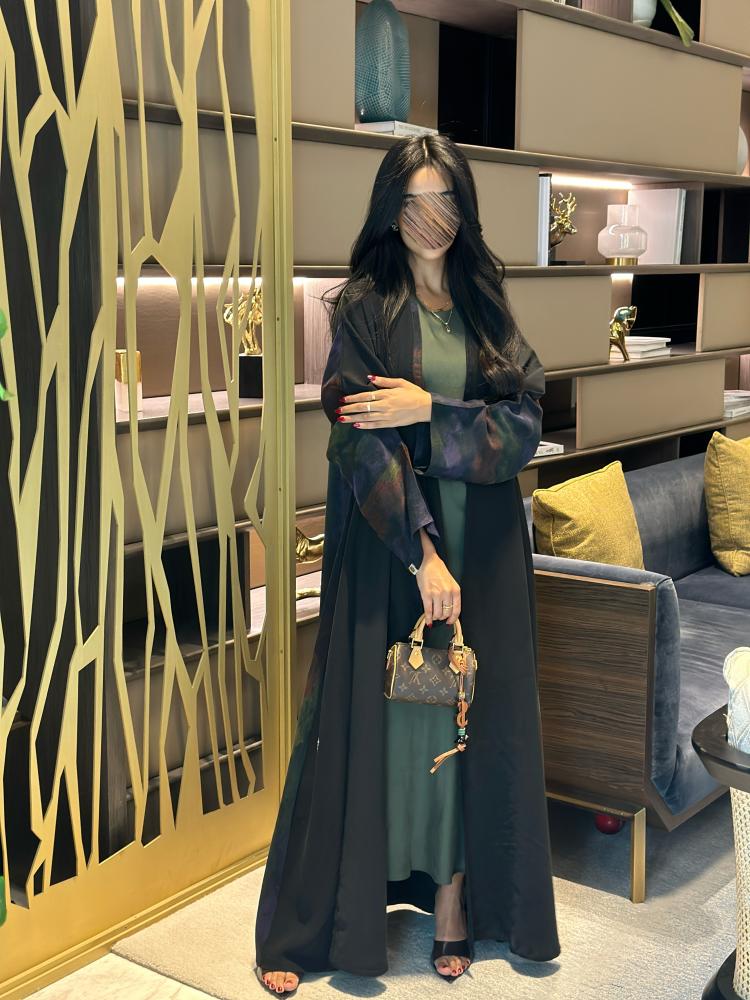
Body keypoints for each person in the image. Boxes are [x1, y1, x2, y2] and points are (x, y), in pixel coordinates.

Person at [253, 133, 560, 995]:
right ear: (393, 209)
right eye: (417, 201)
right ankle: (339, 916)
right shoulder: (363, 307)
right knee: (380, 721)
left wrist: (433, 410)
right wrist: (423, 552)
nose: (433, 219)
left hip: (487, 551)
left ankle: (454, 906)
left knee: (465, 721)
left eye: (447, 201)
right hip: (394, 548)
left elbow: (526, 421)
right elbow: (357, 440)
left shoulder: (485, 305)